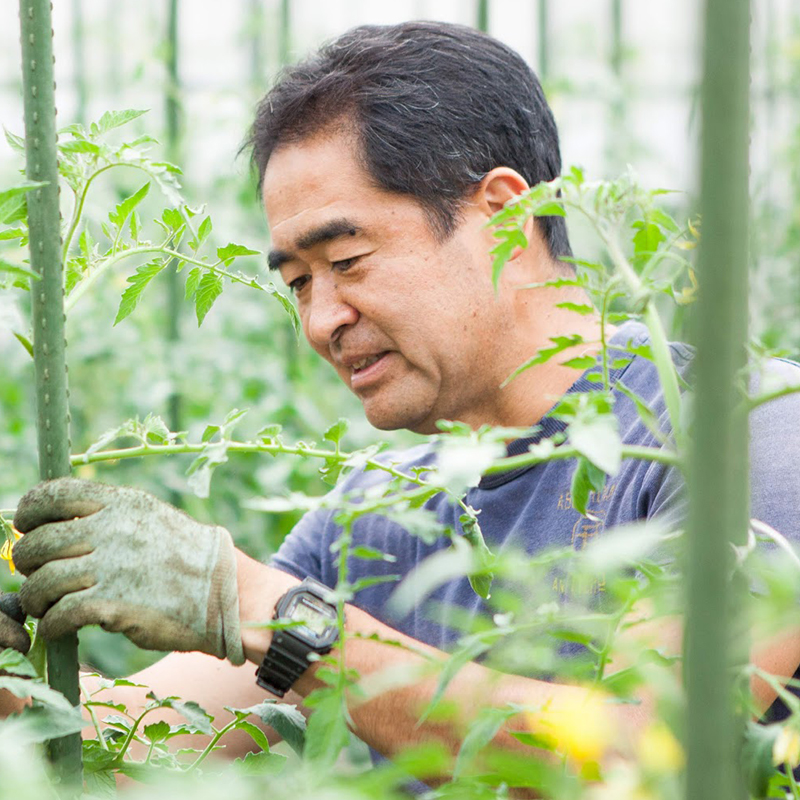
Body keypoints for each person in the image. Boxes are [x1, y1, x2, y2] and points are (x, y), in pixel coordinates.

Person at [1, 20, 799, 784]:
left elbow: (655, 756)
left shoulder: (747, 434)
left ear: (503, 215)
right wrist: (13, 690)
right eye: (299, 282)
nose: (321, 320)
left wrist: (275, 616)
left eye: (348, 259)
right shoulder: (377, 516)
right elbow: (134, 754)